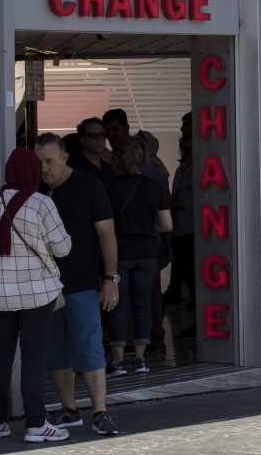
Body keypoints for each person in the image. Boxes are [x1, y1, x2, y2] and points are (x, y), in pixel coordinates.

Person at [0, 148, 73, 443]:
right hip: (36, 295)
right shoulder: (41, 202)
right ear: (30, 171)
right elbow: (63, 248)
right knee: (33, 357)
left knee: (0, 356)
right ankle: (36, 425)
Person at [36, 133, 121, 436]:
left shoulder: (88, 185)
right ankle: (70, 410)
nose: (43, 168)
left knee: (89, 346)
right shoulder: (36, 191)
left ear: (64, 157)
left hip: (84, 282)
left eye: (49, 161)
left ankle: (100, 412)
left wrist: (111, 279)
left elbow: (107, 234)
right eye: (39, 162)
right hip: (46, 287)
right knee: (56, 351)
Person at [104, 135, 173, 377]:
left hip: (118, 254)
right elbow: (167, 225)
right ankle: (141, 360)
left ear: (116, 159)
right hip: (147, 254)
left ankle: (118, 361)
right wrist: (146, 227)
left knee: (117, 306)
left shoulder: (107, 187)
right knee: (143, 305)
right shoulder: (153, 187)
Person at [165, 134, 195, 308]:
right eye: (184, 150)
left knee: (191, 266)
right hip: (179, 224)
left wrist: (182, 205)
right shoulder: (182, 169)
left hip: (192, 225)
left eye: (190, 149)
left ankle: (196, 299)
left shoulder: (202, 167)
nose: (187, 153)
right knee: (183, 265)